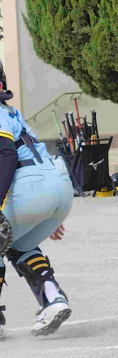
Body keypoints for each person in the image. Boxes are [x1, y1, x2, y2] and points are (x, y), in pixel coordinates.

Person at [0, 63, 73, 338]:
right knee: (19, 244)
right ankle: (53, 299)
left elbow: (5, 155)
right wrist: (44, 212)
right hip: (58, 188)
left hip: (30, 188)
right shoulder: (10, 111)